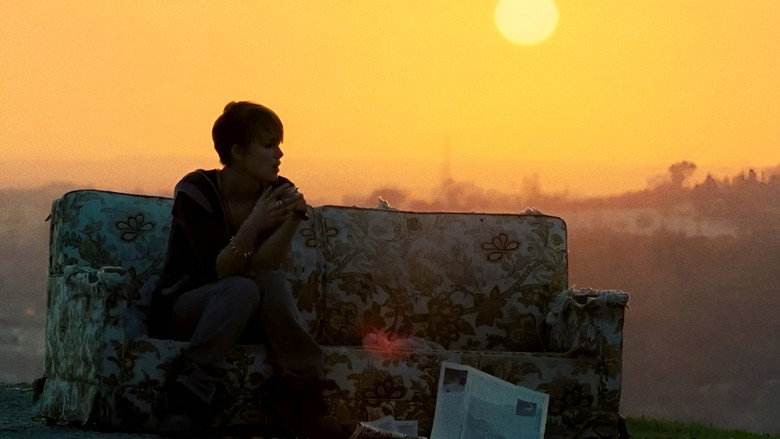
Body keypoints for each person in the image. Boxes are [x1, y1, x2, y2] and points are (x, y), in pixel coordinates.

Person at [148, 101, 346, 438]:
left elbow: (265, 265)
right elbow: (221, 269)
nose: (279, 154)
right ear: (237, 152)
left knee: (268, 282)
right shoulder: (196, 191)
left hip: (248, 309)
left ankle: (303, 395)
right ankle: (188, 399)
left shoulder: (276, 190)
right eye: (268, 145)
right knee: (241, 288)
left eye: (278, 145)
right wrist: (255, 221)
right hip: (187, 308)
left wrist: (292, 221)